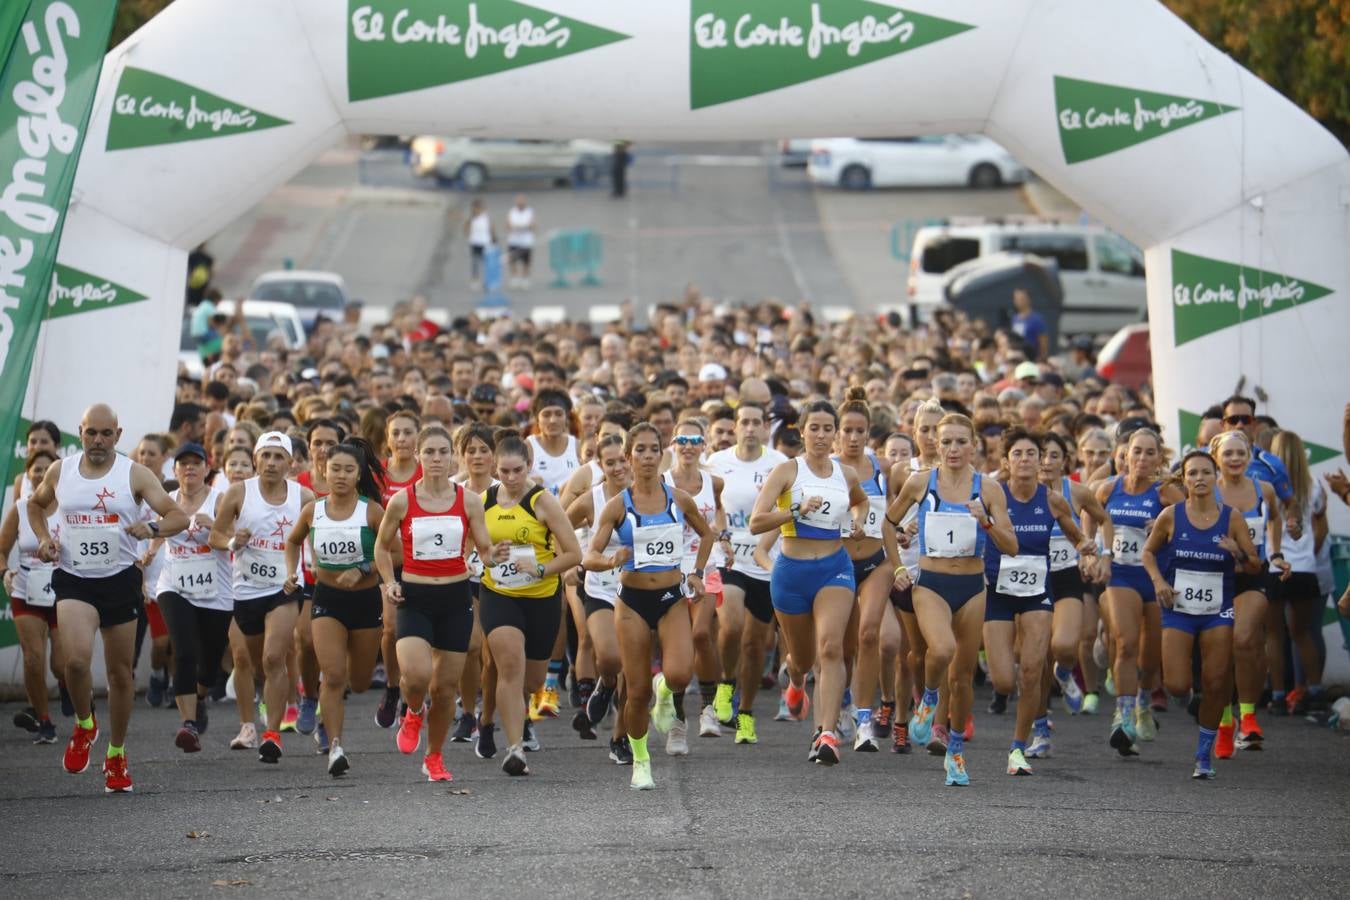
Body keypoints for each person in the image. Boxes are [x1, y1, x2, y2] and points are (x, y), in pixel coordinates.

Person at [27, 404, 189, 793]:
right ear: (79, 433)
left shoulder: (133, 474)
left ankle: (116, 752)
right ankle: (85, 725)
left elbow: (178, 517)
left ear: (118, 435)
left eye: (105, 434)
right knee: (76, 662)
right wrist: (46, 539)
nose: (97, 441)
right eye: (90, 433)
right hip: (74, 579)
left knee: (120, 674)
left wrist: (150, 526)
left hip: (119, 580)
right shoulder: (60, 471)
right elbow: (36, 505)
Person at [886, 412, 1017, 785]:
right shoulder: (920, 482)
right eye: (946, 442)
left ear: (974, 445)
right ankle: (928, 700)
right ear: (935, 445)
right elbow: (888, 523)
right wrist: (898, 567)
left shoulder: (988, 489)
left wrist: (986, 522)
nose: (953, 449)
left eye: (961, 441)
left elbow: (1011, 545)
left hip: (973, 586)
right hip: (931, 583)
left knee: (961, 679)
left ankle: (955, 752)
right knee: (939, 650)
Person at [585, 423, 714, 789]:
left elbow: (706, 534)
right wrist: (612, 560)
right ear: (628, 457)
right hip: (632, 603)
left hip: (671, 598)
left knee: (678, 675)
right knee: (636, 692)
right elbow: (590, 554)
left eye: (652, 450)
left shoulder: (678, 499)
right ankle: (640, 760)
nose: (646, 456)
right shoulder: (618, 505)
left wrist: (697, 573)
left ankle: (665, 691)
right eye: (638, 450)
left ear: (662, 454)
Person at [375, 425, 504, 783]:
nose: (436, 459)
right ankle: (413, 710)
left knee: (445, 689)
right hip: (414, 598)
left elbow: (484, 549)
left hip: (455, 598)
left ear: (452, 457)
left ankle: (434, 757)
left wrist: (495, 555)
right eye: (428, 452)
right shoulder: (402, 500)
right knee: (416, 675)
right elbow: (382, 548)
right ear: (418, 456)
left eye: (442, 453)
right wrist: (389, 583)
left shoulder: (468, 500)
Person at [752, 401, 875, 768]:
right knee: (804, 658)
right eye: (814, 428)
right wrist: (794, 510)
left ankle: (826, 732)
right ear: (801, 431)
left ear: (835, 433)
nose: (821, 436)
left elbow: (862, 502)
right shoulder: (787, 471)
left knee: (832, 648)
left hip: (834, 568)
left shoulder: (846, 474)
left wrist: (859, 520)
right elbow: (758, 522)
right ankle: (795, 677)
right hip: (791, 572)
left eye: (827, 429)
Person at [982, 429, 1095, 776]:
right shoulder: (993, 495)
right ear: (1006, 462)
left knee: (1031, 670)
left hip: (1037, 592)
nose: (1027, 459)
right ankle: (1028, 712)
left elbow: (1078, 539)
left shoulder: (1053, 500)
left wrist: (1089, 552)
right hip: (998, 592)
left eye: (1033, 453)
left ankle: (1019, 748)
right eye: (1018, 453)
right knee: (1004, 681)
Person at [1143, 450, 1259, 779]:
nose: (1199, 479)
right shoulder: (1171, 515)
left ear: (1215, 477)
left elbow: (1254, 564)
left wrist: (1238, 552)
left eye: (1206, 473)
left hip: (1217, 611)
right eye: (1192, 473)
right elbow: (1149, 553)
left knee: (1216, 680)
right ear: (1184, 479)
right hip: (1179, 608)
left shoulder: (1232, 517)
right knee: (1177, 685)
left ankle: (1203, 753)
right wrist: (1158, 581)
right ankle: (1196, 706)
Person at [478, 432, 582, 776]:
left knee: (533, 679)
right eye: (504, 471)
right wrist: (489, 556)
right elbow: (472, 551)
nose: (510, 478)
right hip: (499, 594)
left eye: (517, 471)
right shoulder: (483, 501)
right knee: (509, 665)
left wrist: (541, 568)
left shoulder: (543, 502)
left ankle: (508, 715)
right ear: (496, 468)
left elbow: (573, 554)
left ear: (529, 466)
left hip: (541, 597)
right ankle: (515, 749)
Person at [209, 431, 314, 764]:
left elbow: (317, 540)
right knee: (251, 664)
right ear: (255, 459)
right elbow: (215, 535)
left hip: (284, 590)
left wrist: (307, 567)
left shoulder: (304, 497)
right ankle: (250, 721)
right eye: (265, 456)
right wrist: (232, 542)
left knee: (273, 659)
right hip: (245, 590)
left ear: (290, 463)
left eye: (278, 457)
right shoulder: (239, 492)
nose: (271, 463)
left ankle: (272, 734)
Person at [284, 439, 386, 776]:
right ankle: (335, 746)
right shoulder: (313, 509)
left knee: (357, 681)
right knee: (333, 676)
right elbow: (292, 540)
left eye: (348, 470)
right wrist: (292, 573)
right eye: (335, 469)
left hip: (365, 600)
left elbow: (396, 553)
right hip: (326, 598)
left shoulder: (371, 511)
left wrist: (365, 568)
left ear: (358, 475)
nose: (340, 475)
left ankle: (333, 722)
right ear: (324, 470)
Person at [1094, 428, 1185, 756]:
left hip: (1156, 579)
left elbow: (1190, 527)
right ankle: (1124, 714)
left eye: (1150, 453)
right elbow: (1089, 521)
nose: (1143, 459)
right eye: (1137, 451)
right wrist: (1093, 555)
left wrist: (1165, 527)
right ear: (1125, 454)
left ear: (1160, 459)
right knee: (1126, 643)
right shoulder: (1108, 489)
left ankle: (1144, 700)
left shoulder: (1166, 493)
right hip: (1121, 576)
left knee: (1151, 656)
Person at [704, 403, 786, 739]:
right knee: (732, 624)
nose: (750, 428)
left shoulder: (779, 464)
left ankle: (747, 713)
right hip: (730, 559)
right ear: (735, 427)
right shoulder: (717, 462)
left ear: (766, 428)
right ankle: (725, 683)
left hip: (765, 560)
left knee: (756, 646)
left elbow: (784, 511)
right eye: (744, 423)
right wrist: (721, 535)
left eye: (756, 423)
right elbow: (713, 506)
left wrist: (763, 547)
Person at [151, 443, 234, 753]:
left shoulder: (220, 499)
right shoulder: (167, 501)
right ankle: (188, 726)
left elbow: (236, 538)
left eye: (195, 463)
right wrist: (148, 552)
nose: (189, 468)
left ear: (206, 469)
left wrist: (216, 526)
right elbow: (159, 533)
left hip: (216, 591)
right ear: (175, 470)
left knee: (209, 664)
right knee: (184, 651)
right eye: (183, 463)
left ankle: (199, 698)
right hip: (175, 584)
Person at [1210, 430, 1289, 754]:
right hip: (1215, 578)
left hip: (1255, 574)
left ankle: (1249, 716)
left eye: (1241, 453)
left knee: (1243, 638)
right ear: (1216, 457)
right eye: (1228, 453)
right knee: (1226, 652)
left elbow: (1274, 522)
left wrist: (1277, 554)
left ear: (1250, 455)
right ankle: (1226, 723)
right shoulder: (1207, 490)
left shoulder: (1264, 489)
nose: (1235, 459)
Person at [835, 390, 903, 751]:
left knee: (869, 634)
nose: (853, 437)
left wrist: (902, 534)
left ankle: (864, 718)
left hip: (877, 561)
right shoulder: (827, 468)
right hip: (839, 563)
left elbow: (892, 512)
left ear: (868, 434)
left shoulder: (883, 467)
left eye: (860, 431)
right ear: (837, 433)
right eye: (847, 430)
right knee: (842, 646)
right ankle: (843, 701)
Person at [1036, 432, 1110, 729]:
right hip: (1029, 577)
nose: (1046, 462)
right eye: (1041, 454)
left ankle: (1064, 674)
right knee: (1034, 656)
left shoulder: (1076, 491)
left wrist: (1099, 553)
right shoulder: (1012, 493)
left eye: (1054, 456)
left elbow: (1103, 519)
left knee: (1066, 646)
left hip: (1067, 574)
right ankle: (1039, 721)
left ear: (1065, 461)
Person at [661, 418, 727, 751]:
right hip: (671, 568)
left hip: (705, 565)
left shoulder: (714, 482)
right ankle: (677, 722)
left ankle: (708, 709)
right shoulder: (662, 481)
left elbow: (719, 515)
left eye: (695, 440)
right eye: (682, 439)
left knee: (701, 634)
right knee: (678, 647)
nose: (688, 446)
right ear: (673, 444)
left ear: (704, 445)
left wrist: (723, 535)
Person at [566, 434, 633, 762]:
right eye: (611, 463)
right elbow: (557, 528)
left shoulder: (654, 493)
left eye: (623, 460)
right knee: (609, 658)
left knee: (632, 670)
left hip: (642, 590)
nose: (619, 467)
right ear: (600, 466)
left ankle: (620, 738)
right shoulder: (592, 499)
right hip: (600, 588)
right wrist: (569, 563)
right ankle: (604, 684)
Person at [0, 450, 68, 745]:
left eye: (47, 469)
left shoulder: (70, 507)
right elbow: (1, 549)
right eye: (35, 470)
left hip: (63, 590)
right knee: (33, 657)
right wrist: (5, 571)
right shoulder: (20, 507)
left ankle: (69, 687)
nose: (41, 475)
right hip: (26, 589)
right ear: (27, 475)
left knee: (61, 663)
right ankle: (44, 721)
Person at [524, 389, 580, 719]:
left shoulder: (577, 447)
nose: (553, 420)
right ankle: (543, 679)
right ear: (537, 419)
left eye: (558, 413)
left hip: (571, 532)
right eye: (546, 414)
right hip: (533, 536)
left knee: (561, 608)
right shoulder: (529, 448)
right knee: (548, 609)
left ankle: (552, 683)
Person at [1269, 430, 1330, 716]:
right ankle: (1315, 691)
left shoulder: (1266, 483)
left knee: (1275, 636)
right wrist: (1309, 554)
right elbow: (1321, 528)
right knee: (1303, 633)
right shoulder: (1314, 485)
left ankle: (1279, 697)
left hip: (1274, 565)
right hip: (1305, 567)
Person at [374, 412, 422, 730]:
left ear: (417, 436)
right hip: (389, 565)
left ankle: (413, 693)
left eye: (408, 432)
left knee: (417, 634)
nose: (402, 438)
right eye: (396, 433)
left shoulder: (426, 471)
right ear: (388, 439)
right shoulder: (378, 476)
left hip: (425, 565)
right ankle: (393, 688)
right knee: (391, 629)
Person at [506, 194, 536, 289]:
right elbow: (509, 225)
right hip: (514, 240)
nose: (520, 203)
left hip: (526, 241)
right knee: (513, 260)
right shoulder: (512, 212)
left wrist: (519, 227)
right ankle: (515, 278)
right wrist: (523, 227)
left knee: (526, 261)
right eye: (519, 201)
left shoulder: (530, 212)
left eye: (522, 201)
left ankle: (525, 278)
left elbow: (533, 225)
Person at [1010, 289, 1049, 362]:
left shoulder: (1037, 319)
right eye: (1016, 299)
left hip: (1032, 360)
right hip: (1017, 359)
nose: (1019, 301)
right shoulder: (1014, 319)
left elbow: (1043, 343)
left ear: (1029, 300)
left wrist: (1041, 359)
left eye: (1022, 299)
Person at [465, 199, 495, 289]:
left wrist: (493, 239)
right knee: (475, 262)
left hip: (485, 242)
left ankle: (488, 280)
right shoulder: (471, 218)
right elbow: (466, 229)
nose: (476, 210)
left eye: (478, 208)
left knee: (487, 263)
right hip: (475, 243)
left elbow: (491, 228)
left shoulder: (486, 217)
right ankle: (475, 280)